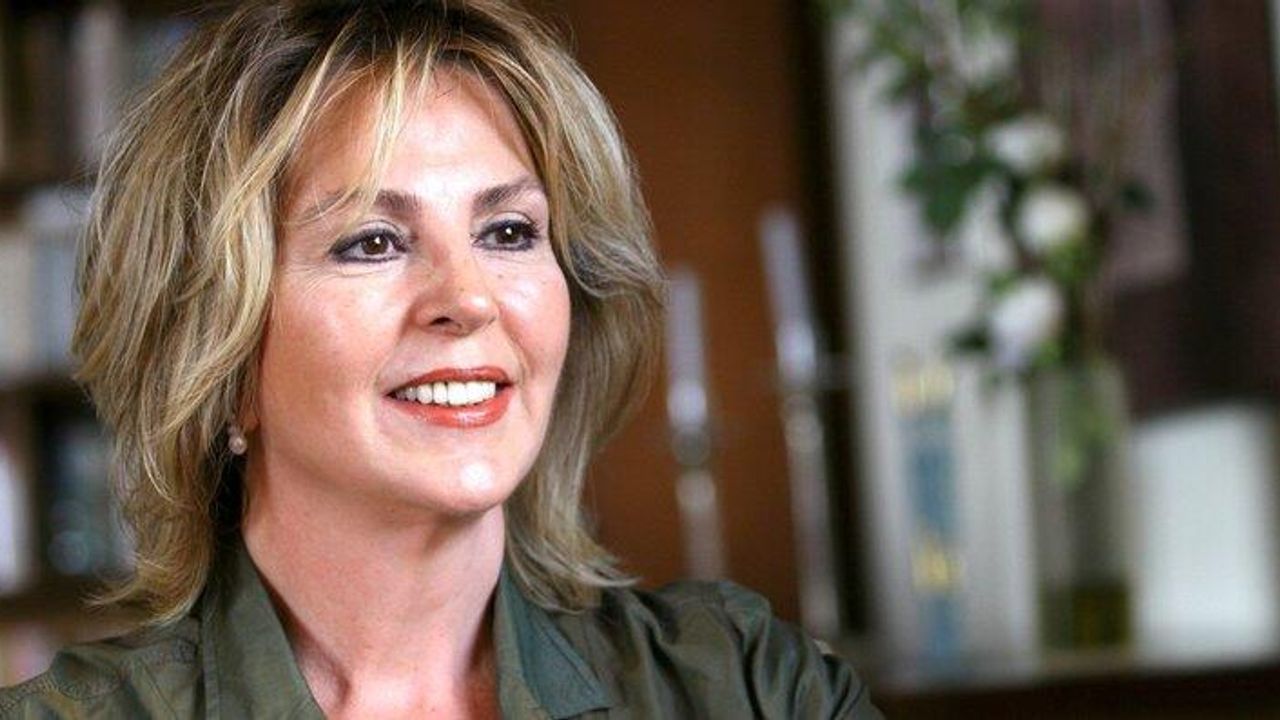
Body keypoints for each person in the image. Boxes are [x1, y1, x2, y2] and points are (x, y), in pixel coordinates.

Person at [0, 1, 880, 717]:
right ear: (216, 352)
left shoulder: (751, 689)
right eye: (373, 242)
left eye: (509, 232)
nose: (469, 297)